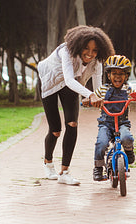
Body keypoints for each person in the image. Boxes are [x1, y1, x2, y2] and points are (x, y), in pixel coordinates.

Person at [37, 25, 114, 185]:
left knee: (72, 124)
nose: (90, 54)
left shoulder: (97, 61)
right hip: (50, 81)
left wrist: (97, 97)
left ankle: (65, 172)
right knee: (56, 130)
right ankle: (48, 162)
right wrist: (90, 94)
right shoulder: (66, 51)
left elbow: (97, 84)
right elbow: (69, 79)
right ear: (79, 46)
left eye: (95, 50)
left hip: (70, 85)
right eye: (86, 49)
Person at [82, 55, 136, 181]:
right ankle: (98, 168)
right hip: (106, 123)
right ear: (109, 75)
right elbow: (93, 96)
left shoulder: (127, 89)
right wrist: (88, 100)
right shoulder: (103, 89)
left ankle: (129, 152)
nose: (117, 76)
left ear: (126, 76)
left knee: (127, 137)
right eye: (114, 73)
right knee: (101, 143)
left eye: (121, 74)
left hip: (122, 123)